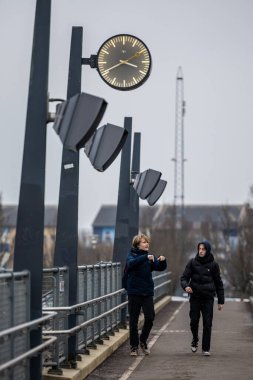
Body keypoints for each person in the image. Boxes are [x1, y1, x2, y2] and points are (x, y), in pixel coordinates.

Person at [125, 233, 167, 356]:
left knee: (150, 317)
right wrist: (145, 258)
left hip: (147, 292)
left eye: (147, 242)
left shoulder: (150, 257)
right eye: (144, 242)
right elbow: (131, 264)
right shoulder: (131, 254)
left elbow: (159, 267)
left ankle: (142, 340)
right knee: (133, 321)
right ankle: (134, 347)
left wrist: (163, 261)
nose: (147, 244)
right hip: (134, 292)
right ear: (137, 245)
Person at [180, 240, 224, 356]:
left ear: (207, 250)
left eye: (203, 249)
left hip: (208, 298)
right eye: (199, 249)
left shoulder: (214, 265)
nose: (201, 251)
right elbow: (183, 278)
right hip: (195, 297)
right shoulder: (192, 262)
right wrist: (186, 287)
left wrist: (221, 301)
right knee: (193, 321)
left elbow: (219, 284)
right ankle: (195, 339)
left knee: (207, 323)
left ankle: (206, 348)